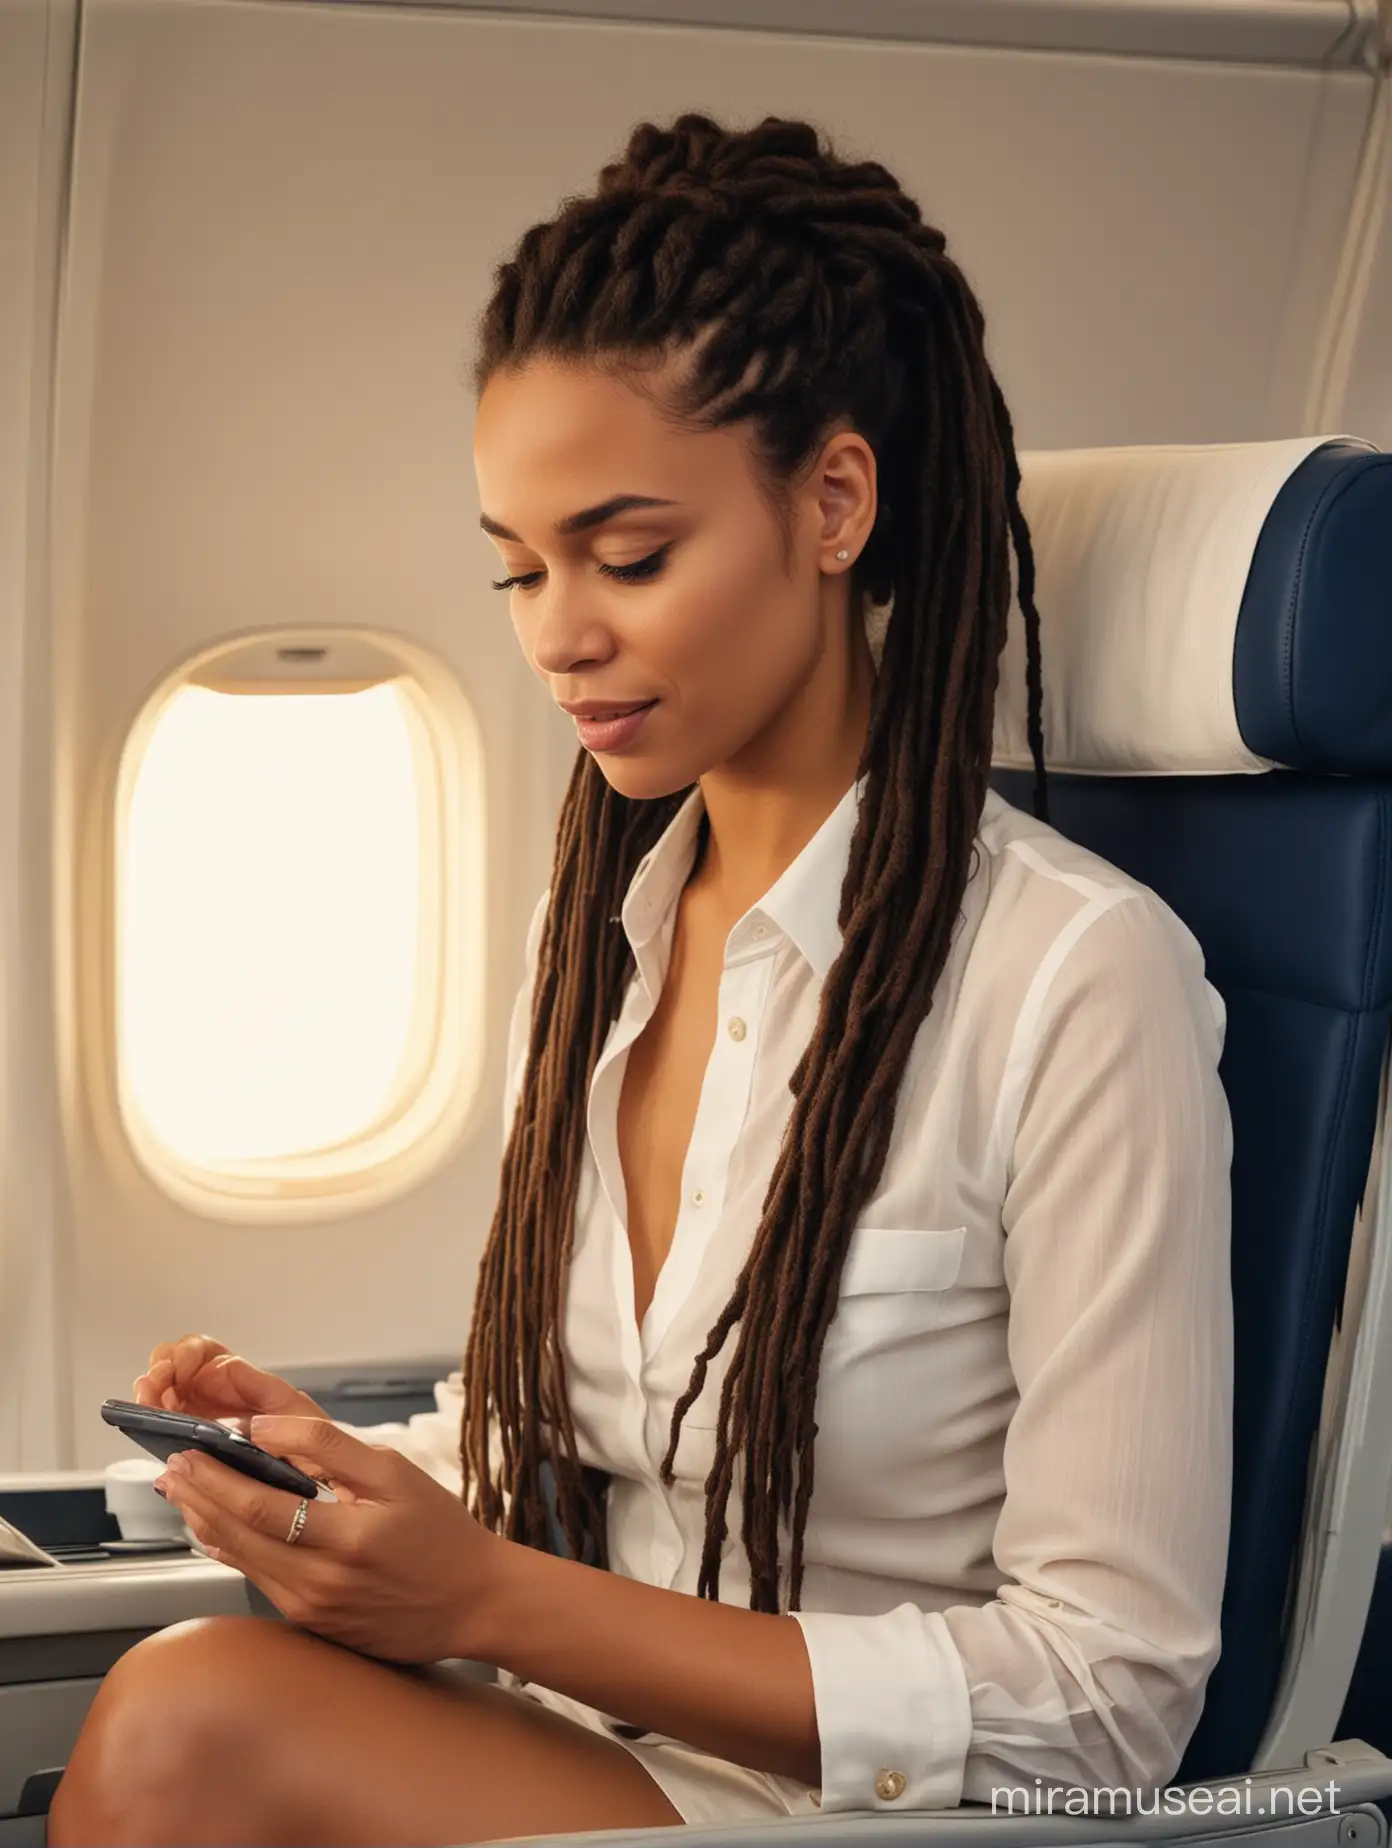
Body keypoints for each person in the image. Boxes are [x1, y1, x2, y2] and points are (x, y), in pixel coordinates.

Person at [49, 110, 1233, 1847]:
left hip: (871, 1812)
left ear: (833, 503)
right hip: (589, 1741)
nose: (554, 634)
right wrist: (358, 1483)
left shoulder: (1078, 980)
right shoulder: (600, 925)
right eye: (520, 567)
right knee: (178, 1691)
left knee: (183, 1731)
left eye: (628, 555)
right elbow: (592, 1440)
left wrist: (486, 1605)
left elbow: (1112, 1702)